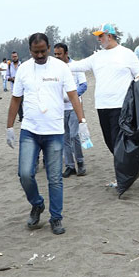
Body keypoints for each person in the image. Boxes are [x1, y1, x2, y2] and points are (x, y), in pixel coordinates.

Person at [6, 33, 89, 235]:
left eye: (43, 50)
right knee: (25, 174)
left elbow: (73, 95)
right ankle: (37, 203)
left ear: (49, 48)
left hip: (54, 131)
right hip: (30, 130)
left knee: (55, 179)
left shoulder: (61, 68)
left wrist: (82, 121)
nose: (40, 54)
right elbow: (16, 100)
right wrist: (9, 127)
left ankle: (56, 218)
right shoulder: (24, 69)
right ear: (30, 51)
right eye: (36, 52)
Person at [68, 24, 139, 183]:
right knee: (110, 142)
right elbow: (77, 65)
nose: (98, 39)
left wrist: (137, 80)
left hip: (121, 106)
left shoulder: (126, 53)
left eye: (100, 36)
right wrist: (57, 66)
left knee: (119, 143)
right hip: (102, 106)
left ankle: (124, 177)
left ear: (109, 36)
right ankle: (126, 170)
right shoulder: (97, 57)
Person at [53, 42, 88, 177]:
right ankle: (69, 165)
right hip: (60, 108)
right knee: (64, 137)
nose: (57, 57)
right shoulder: (54, 68)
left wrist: (71, 96)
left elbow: (83, 85)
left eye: (59, 54)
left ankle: (80, 162)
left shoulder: (76, 67)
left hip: (74, 106)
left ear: (66, 53)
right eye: (55, 54)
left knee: (74, 135)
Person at [5, 52, 23, 121]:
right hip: (14, 88)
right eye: (13, 57)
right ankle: (21, 117)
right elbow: (6, 76)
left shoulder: (22, 65)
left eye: (15, 56)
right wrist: (11, 78)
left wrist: (18, 79)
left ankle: (24, 116)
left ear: (18, 56)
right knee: (18, 104)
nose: (14, 58)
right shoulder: (9, 66)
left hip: (23, 87)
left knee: (24, 102)